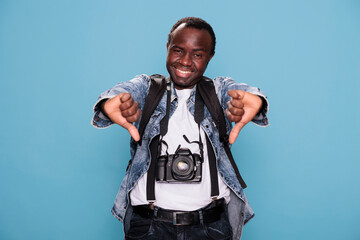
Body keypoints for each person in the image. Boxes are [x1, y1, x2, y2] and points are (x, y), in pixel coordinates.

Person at [92, 17, 269, 240]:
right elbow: (123, 92)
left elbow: (242, 93)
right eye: (178, 50)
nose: (185, 61)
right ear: (167, 48)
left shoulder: (218, 90)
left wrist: (255, 101)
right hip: (149, 226)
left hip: (210, 226)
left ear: (210, 56)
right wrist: (111, 103)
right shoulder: (147, 89)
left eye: (197, 54)